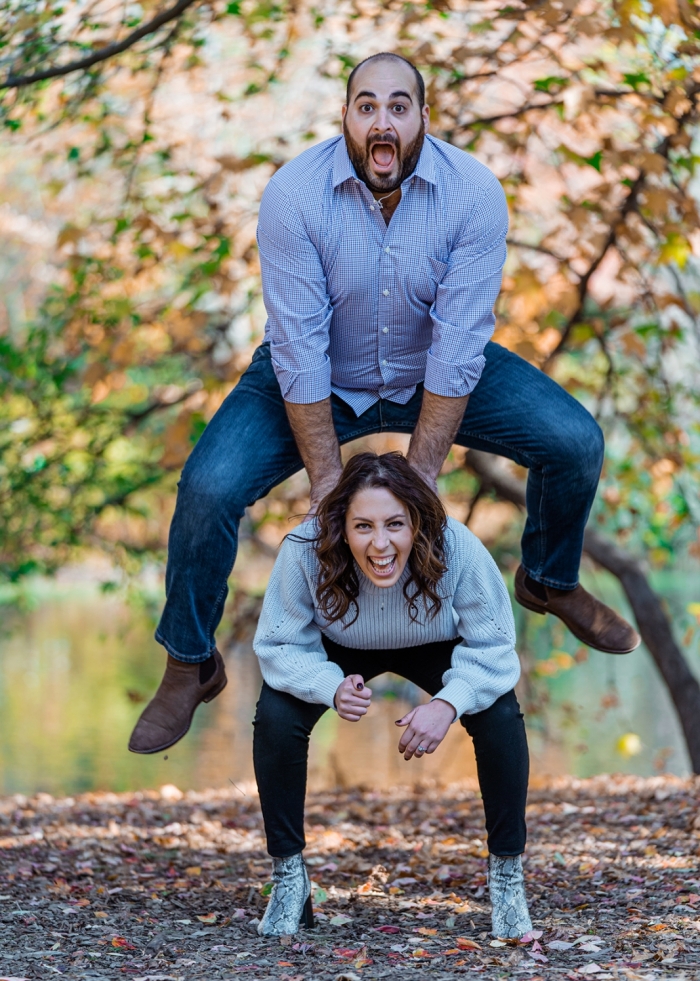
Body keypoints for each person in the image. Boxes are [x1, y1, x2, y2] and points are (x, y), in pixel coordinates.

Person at [128, 50, 639, 756]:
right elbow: (299, 352)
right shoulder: (293, 196)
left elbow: (459, 348)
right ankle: (191, 661)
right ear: (345, 116)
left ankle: (549, 579)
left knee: (575, 441)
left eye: (399, 105)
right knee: (208, 486)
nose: (383, 119)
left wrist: (422, 479)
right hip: (317, 377)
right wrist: (332, 490)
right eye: (366, 105)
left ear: (424, 118)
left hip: (431, 369)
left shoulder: (474, 194)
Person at [252, 451, 531, 938]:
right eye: (363, 526)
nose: (380, 544)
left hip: (433, 641)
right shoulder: (304, 548)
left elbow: (496, 648)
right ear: (341, 526)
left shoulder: (457, 547)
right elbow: (277, 644)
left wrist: (448, 703)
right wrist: (328, 685)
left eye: (394, 524)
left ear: (417, 522)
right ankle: (288, 878)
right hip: (340, 644)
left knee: (499, 714)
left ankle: (507, 879)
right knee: (276, 714)